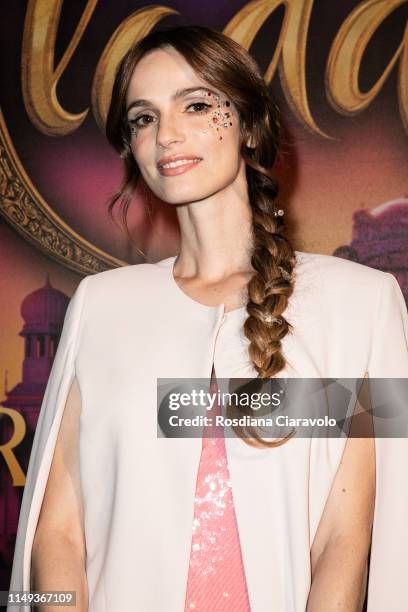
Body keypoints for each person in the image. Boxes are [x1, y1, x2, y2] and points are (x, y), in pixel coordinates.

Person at [8, 26, 408, 612]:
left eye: (196, 105)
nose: (165, 134)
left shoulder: (362, 303)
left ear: (248, 124)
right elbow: (58, 532)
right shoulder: (101, 306)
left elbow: (346, 539)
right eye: (142, 118)